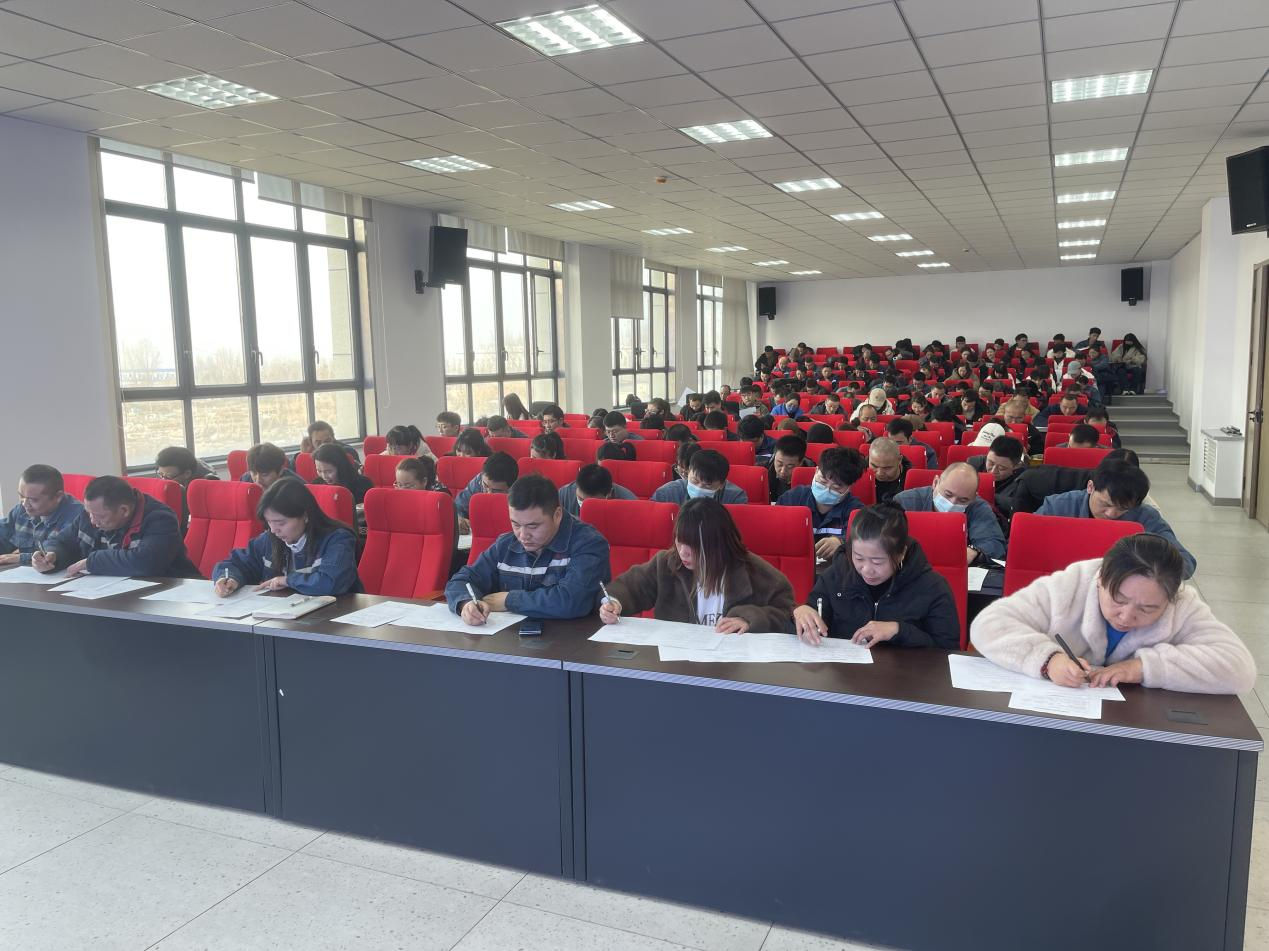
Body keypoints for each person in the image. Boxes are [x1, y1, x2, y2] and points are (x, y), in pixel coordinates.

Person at [971, 534, 1254, 693]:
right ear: (1100, 581)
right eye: (1118, 600)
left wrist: (1142, 668)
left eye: (1148, 608)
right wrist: (1048, 660)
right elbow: (988, 624)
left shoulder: (1182, 605)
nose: (1127, 617)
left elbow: (1239, 668)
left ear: (1169, 600)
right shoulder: (1073, 583)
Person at [600, 498, 796, 633]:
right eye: (679, 541)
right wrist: (614, 603)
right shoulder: (667, 563)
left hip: (733, 665)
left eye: (694, 546)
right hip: (676, 661)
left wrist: (749, 618)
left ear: (718, 544)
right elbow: (630, 588)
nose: (683, 552)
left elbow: (787, 613)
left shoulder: (754, 571)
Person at [446, 474, 611, 623]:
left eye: (533, 526)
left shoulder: (589, 543)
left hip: (572, 640)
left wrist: (509, 600)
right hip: (511, 639)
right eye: (516, 524)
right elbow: (461, 580)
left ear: (557, 515)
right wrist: (466, 604)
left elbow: (572, 600)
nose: (523, 535)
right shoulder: (506, 544)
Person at [792, 505, 960, 650]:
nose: (866, 570)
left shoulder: (933, 587)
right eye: (859, 558)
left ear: (901, 554)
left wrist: (898, 630)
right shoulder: (837, 574)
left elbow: (947, 649)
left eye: (877, 561)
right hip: (844, 673)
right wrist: (801, 613)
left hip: (906, 675)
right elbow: (811, 619)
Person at [1036, 461, 1197, 577]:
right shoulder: (1057, 507)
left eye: (1122, 508)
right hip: (1063, 582)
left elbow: (1185, 563)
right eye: (1105, 504)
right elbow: (1026, 543)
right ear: (1090, 487)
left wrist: (1141, 564)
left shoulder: (1144, 517)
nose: (1111, 514)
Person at [211, 478, 360, 597]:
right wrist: (228, 578)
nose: (274, 529)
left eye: (281, 523)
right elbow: (235, 562)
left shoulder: (337, 539)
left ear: (305, 516)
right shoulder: (269, 539)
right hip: (285, 616)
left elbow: (331, 582)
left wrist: (288, 580)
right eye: (269, 522)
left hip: (334, 616)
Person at [37, 475, 200, 578]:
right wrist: (53, 556)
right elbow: (61, 542)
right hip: (109, 593)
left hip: (167, 594)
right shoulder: (91, 514)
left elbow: (146, 563)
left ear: (124, 510)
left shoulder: (159, 518)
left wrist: (91, 562)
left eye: (100, 516)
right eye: (89, 513)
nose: (92, 521)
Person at [893, 462, 1007, 565]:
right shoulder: (905, 501)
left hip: (958, 569)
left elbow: (996, 545)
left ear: (973, 497)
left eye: (963, 500)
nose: (952, 503)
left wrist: (973, 551)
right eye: (948, 494)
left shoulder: (979, 507)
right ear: (935, 483)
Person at [777, 446, 868, 560]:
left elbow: (864, 541)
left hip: (833, 567)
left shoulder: (855, 511)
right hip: (794, 561)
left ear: (849, 487)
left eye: (836, 487)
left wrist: (841, 542)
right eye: (823, 481)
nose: (827, 489)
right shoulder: (792, 498)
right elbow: (773, 529)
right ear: (816, 471)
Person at [0, 465, 84, 567]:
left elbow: (62, 555)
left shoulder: (77, 517)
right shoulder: (21, 510)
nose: (25, 504)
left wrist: (21, 558)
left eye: (33, 500)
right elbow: (3, 536)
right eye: (21, 496)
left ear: (58, 497)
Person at [652, 445, 749, 505]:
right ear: (688, 472)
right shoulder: (667, 492)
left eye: (707, 485)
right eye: (695, 481)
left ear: (722, 484)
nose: (699, 488)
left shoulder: (735, 498)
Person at [155, 445, 219, 529]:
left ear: (187, 474)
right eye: (160, 474)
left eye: (169, 477)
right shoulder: (179, 477)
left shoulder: (206, 486)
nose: (164, 480)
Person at [454, 451, 519, 533]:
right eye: (485, 486)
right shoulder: (478, 481)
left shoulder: (520, 494)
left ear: (511, 487)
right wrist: (459, 519)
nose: (488, 494)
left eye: (496, 490)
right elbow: (458, 507)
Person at [559, 463, 636, 516]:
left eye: (591, 502)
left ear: (609, 494)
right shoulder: (564, 494)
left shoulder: (630, 504)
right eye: (581, 498)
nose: (585, 505)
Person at [766, 434, 809, 503]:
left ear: (801, 463)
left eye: (790, 466)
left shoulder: (812, 478)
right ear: (774, 456)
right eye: (780, 464)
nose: (783, 471)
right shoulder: (763, 472)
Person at [868, 438, 910, 505]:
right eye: (874, 466)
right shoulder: (859, 474)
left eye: (887, 468)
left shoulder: (911, 480)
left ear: (899, 460)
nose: (880, 473)